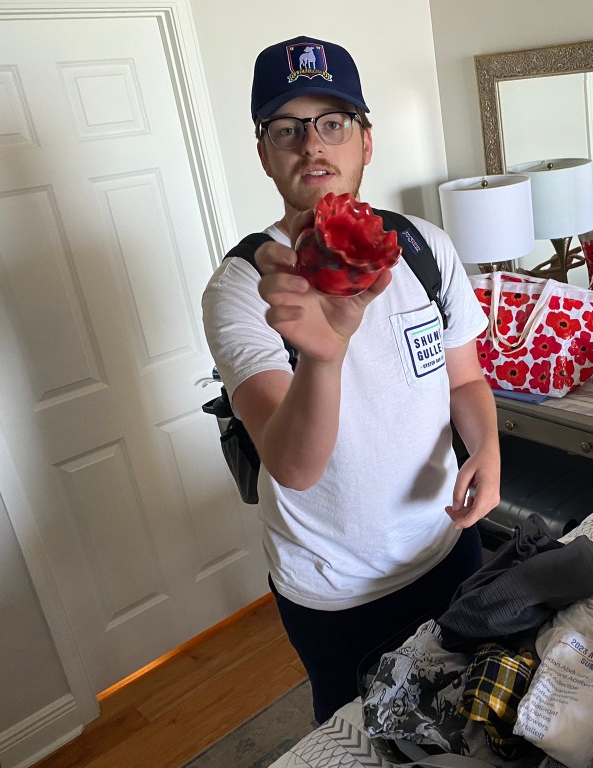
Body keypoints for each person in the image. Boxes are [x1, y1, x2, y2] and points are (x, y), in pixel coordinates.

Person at [201, 35, 501, 724]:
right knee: (364, 740)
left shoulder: (423, 249)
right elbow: (292, 466)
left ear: (366, 140)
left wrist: (485, 447)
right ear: (265, 154)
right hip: (335, 590)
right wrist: (324, 357)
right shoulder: (245, 290)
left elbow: (464, 381)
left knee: (476, 720)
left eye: (333, 123)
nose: (314, 146)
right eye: (288, 129)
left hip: (450, 547)